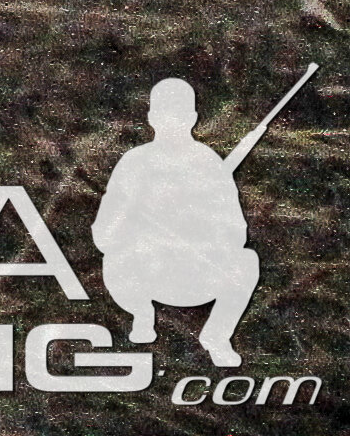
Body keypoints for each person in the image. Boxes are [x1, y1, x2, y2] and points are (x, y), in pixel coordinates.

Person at [93, 78, 264, 367]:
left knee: (247, 262)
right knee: (113, 259)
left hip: (195, 275)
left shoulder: (209, 164)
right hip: (144, 274)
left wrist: (198, 226)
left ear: (192, 119)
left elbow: (237, 234)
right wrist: (136, 213)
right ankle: (142, 314)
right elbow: (103, 238)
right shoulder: (134, 163)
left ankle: (217, 336)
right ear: (151, 119)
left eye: (178, 116)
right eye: (165, 116)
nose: (171, 123)